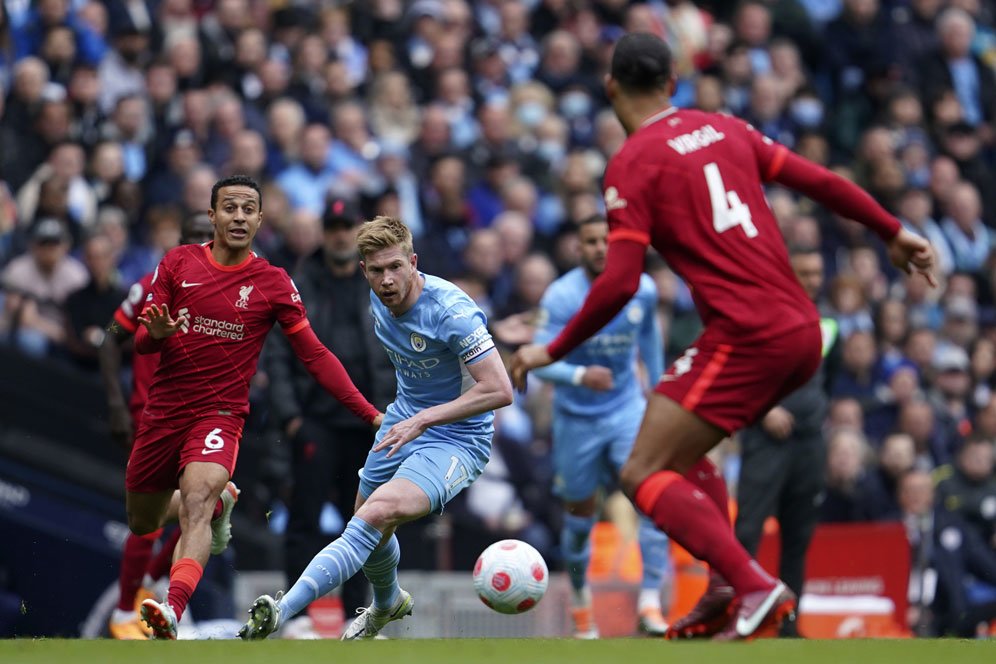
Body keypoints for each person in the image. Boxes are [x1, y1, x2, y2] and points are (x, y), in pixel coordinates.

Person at [510, 33, 935, 641]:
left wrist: (549, 348)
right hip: (801, 330)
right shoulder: (726, 128)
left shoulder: (632, 164)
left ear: (611, 89)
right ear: (673, 83)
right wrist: (892, 230)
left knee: (641, 473)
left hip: (749, 333)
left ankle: (753, 583)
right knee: (679, 447)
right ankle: (725, 583)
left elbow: (620, 283)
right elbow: (820, 181)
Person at [129, 175, 383, 640]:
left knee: (198, 504)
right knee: (142, 519)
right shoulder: (177, 263)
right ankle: (222, 500)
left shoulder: (272, 283)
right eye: (230, 208)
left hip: (219, 415)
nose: (239, 216)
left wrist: (368, 412)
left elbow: (315, 356)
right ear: (212, 215)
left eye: (249, 209)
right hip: (164, 412)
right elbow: (142, 340)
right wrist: (157, 334)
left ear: (261, 219)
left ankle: (171, 608)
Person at [239, 216, 514, 641]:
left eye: (395, 267)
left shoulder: (451, 311)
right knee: (366, 522)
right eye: (377, 270)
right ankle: (388, 602)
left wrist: (423, 418)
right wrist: (405, 416)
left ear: (413, 262)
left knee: (375, 514)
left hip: (458, 438)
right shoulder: (377, 302)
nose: (387, 279)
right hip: (402, 423)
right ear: (363, 270)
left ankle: (282, 609)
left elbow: (500, 389)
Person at [531, 214, 671, 638]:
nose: (598, 248)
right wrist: (578, 376)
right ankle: (579, 601)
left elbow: (649, 341)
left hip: (626, 411)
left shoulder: (641, 289)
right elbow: (539, 363)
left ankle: (649, 603)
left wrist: (660, 394)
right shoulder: (561, 296)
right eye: (590, 241)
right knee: (579, 521)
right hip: (576, 420)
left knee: (650, 500)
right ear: (578, 248)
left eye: (605, 241)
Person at [265, 198, 397, 635]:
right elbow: (278, 355)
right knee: (303, 519)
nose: (340, 234)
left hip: (367, 423)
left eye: (347, 226)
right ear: (324, 232)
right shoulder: (299, 284)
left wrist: (391, 412)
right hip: (315, 421)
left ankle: (357, 615)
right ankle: (296, 617)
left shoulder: (378, 282)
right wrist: (290, 418)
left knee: (363, 520)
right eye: (334, 226)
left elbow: (395, 352)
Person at [98, 213, 214, 640]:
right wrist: (115, 401)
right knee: (151, 517)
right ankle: (126, 610)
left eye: (210, 236)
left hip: (202, 418)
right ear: (180, 242)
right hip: (152, 417)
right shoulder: (150, 285)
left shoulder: (228, 291)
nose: (204, 243)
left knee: (209, 508)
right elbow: (111, 334)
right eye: (195, 237)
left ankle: (147, 580)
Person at [733, 246, 841, 637]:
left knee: (798, 535)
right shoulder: (761, 318)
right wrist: (765, 411)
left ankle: (789, 624)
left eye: (817, 273)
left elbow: (830, 379)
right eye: (804, 273)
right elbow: (738, 374)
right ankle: (737, 615)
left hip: (809, 443)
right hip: (766, 441)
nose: (812, 281)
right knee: (747, 531)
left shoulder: (828, 322)